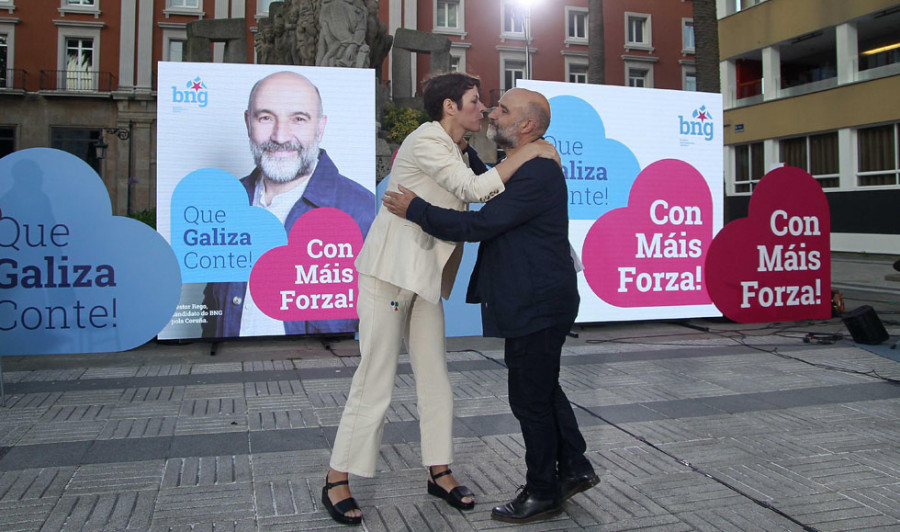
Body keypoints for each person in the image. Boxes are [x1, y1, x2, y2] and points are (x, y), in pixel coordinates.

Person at [322, 72, 560, 526]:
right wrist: (531, 150)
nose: (485, 110)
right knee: (376, 379)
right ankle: (336, 478)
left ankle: (439, 471)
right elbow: (475, 191)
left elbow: (493, 189)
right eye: (475, 101)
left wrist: (536, 159)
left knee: (436, 378)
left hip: (426, 278)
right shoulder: (426, 141)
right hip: (389, 275)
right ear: (450, 107)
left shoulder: (461, 149)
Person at [382, 87, 599, 524]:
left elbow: (482, 222)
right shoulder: (527, 165)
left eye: (502, 109)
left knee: (530, 399)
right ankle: (573, 467)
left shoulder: (537, 172)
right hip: (539, 300)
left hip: (537, 303)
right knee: (543, 389)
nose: (492, 113)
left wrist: (416, 209)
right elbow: (492, 186)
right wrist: (466, 155)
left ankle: (542, 491)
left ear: (527, 126)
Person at [202, 71, 375, 338]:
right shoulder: (226, 204)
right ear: (248, 122)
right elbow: (212, 308)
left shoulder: (364, 212)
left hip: (317, 377)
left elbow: (384, 319)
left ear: (320, 126)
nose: (281, 136)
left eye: (298, 119)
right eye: (265, 117)